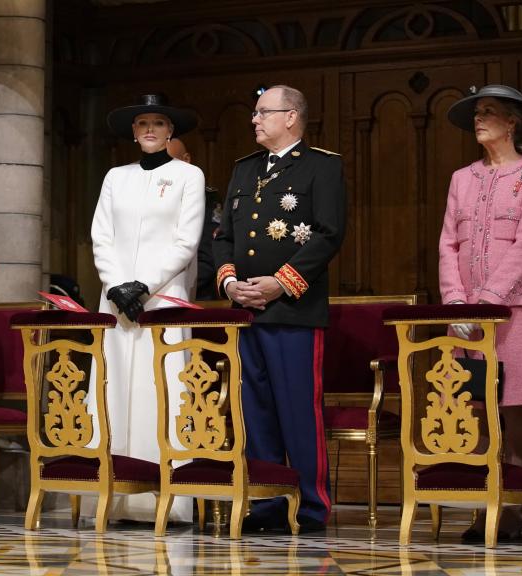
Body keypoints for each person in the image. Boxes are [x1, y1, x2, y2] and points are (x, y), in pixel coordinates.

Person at [212, 85, 347, 532]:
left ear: (291, 117)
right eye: (254, 113)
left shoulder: (321, 166)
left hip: (293, 311)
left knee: (297, 411)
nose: (254, 119)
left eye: (262, 112)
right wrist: (230, 283)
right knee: (256, 412)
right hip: (246, 311)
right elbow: (224, 236)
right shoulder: (244, 169)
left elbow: (328, 234)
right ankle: (267, 504)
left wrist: (280, 284)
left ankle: (310, 507)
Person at [438, 84, 522, 540]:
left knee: (514, 405)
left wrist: (487, 299)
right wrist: (455, 300)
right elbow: (448, 243)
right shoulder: (461, 178)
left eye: (488, 112)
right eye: (476, 113)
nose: (478, 120)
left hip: (513, 312)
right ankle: (481, 506)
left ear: (512, 122)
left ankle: (511, 508)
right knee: (475, 404)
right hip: (465, 315)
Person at [89, 94, 205, 523]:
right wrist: (118, 285)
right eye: (143, 123)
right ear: (133, 133)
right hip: (117, 301)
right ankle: (113, 495)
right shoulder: (115, 177)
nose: (150, 129)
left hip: (162, 298)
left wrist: (144, 285)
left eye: (158, 122)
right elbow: (101, 236)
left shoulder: (188, 176)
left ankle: (166, 500)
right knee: (114, 387)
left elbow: (186, 241)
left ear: (170, 130)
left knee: (163, 390)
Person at [166, 137, 222, 300]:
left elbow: (208, 256)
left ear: (186, 160)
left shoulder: (206, 198)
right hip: (149, 290)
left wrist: (171, 286)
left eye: (169, 163)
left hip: (195, 291)